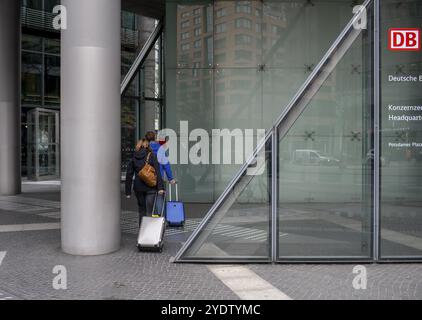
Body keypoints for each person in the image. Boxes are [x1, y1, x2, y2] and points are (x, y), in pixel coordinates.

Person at [125, 139, 165, 226]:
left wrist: (128, 191)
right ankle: (149, 233)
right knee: (149, 211)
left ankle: (142, 232)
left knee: (141, 210)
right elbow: (157, 172)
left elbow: (129, 174)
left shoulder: (134, 156)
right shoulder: (151, 155)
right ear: (147, 145)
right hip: (150, 187)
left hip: (138, 188)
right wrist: (160, 188)